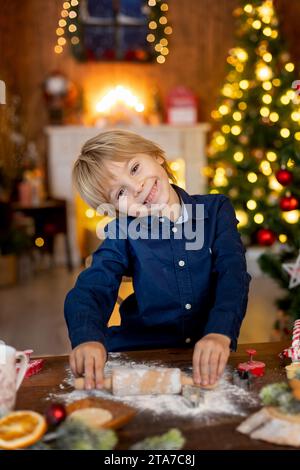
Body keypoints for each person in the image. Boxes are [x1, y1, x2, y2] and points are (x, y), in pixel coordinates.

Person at [64, 129, 251, 390]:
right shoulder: (123, 232)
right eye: (120, 193)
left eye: (135, 168)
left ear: (156, 156)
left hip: (206, 350)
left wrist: (220, 331)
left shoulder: (216, 209)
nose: (136, 187)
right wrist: (87, 338)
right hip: (139, 352)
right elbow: (92, 287)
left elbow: (233, 273)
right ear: (117, 209)